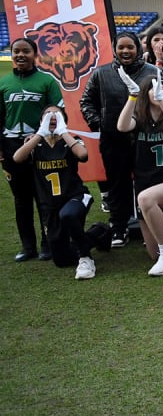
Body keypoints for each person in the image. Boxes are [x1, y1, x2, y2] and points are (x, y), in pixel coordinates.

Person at [81, 31, 160, 248]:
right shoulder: (101, 73)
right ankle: (118, 226)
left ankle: (151, 226)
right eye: (121, 47)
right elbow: (86, 101)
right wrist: (99, 123)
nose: (126, 51)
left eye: (130, 47)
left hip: (145, 139)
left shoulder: (152, 72)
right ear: (115, 50)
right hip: (113, 140)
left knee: (146, 183)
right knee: (117, 184)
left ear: (138, 49)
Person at [12, 106, 95, 278]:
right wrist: (39, 134)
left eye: (56, 115)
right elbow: (17, 158)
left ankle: (86, 258)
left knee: (68, 215)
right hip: (49, 204)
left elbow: (83, 155)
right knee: (61, 259)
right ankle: (98, 234)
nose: (52, 118)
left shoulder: (71, 140)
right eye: (47, 116)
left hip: (75, 196)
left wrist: (63, 132)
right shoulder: (35, 143)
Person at [1, 37, 64, 261]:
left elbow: (58, 113)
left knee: (44, 197)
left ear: (34, 54)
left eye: (25, 51)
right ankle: (28, 247)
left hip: (40, 146)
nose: (20, 55)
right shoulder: (4, 83)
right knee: (21, 198)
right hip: (11, 147)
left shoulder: (46, 81)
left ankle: (48, 243)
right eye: (15, 51)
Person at [117, 72, 163, 276]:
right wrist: (132, 95)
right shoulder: (139, 119)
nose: (160, 92)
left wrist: (162, 102)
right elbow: (121, 126)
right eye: (155, 89)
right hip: (144, 182)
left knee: (146, 199)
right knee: (153, 254)